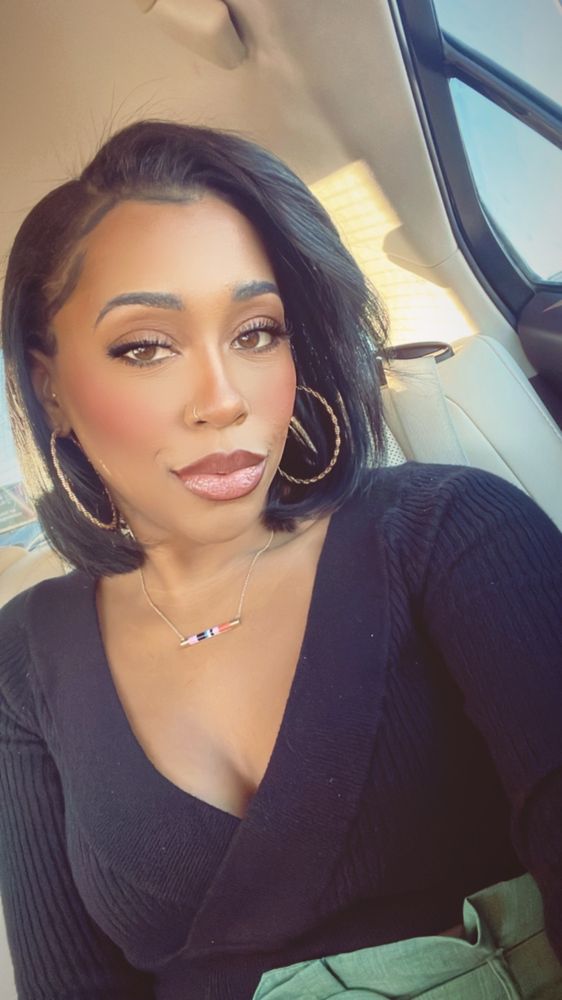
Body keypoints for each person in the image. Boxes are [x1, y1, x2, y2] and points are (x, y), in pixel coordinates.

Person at [0, 120, 561, 1000]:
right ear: (50, 388)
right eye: (145, 346)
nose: (224, 400)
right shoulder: (23, 659)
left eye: (258, 332)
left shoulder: (454, 532)